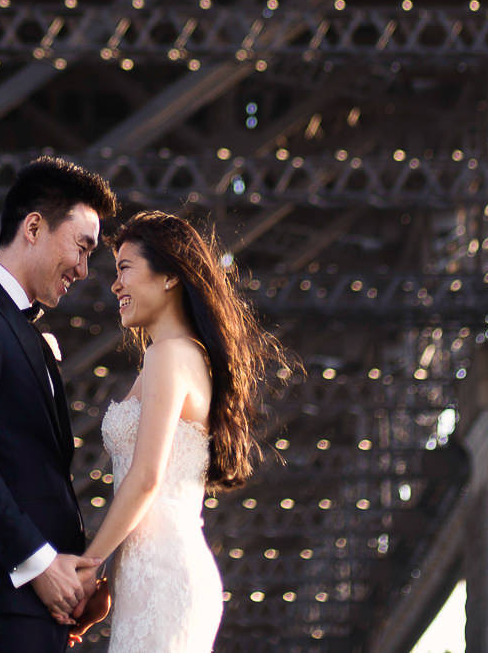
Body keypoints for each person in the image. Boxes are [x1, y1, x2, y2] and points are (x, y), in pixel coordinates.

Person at [74, 210, 293, 653]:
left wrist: (89, 565)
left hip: (163, 578)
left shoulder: (168, 357)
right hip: (154, 577)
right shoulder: (179, 358)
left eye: (124, 268)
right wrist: (111, 577)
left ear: (170, 275)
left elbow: (147, 478)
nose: (115, 285)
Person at [0, 157, 117, 652]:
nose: (83, 268)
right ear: (33, 227)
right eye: (81, 246)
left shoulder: (17, 327)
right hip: (7, 597)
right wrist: (38, 563)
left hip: (37, 602)